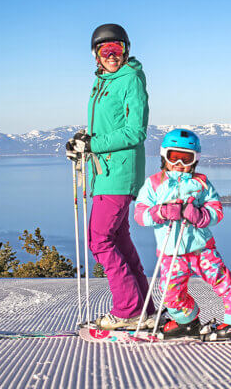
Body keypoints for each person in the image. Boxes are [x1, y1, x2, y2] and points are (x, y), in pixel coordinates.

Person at [67, 23, 155, 330]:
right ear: (96, 56)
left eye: (117, 49)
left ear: (126, 50)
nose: (112, 55)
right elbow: (106, 127)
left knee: (99, 240)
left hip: (118, 173)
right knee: (119, 239)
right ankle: (144, 307)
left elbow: (136, 131)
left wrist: (95, 144)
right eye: (106, 51)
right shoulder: (104, 82)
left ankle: (128, 309)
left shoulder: (129, 79)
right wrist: (83, 141)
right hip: (105, 172)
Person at [134, 129, 231, 340]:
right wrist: (161, 212)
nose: (180, 163)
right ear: (164, 155)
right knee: (169, 293)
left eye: (186, 158)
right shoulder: (154, 183)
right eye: (174, 157)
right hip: (170, 252)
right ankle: (186, 321)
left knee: (223, 282)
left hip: (201, 248)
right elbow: (140, 215)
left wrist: (200, 215)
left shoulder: (201, 183)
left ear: (195, 160)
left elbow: (217, 211)